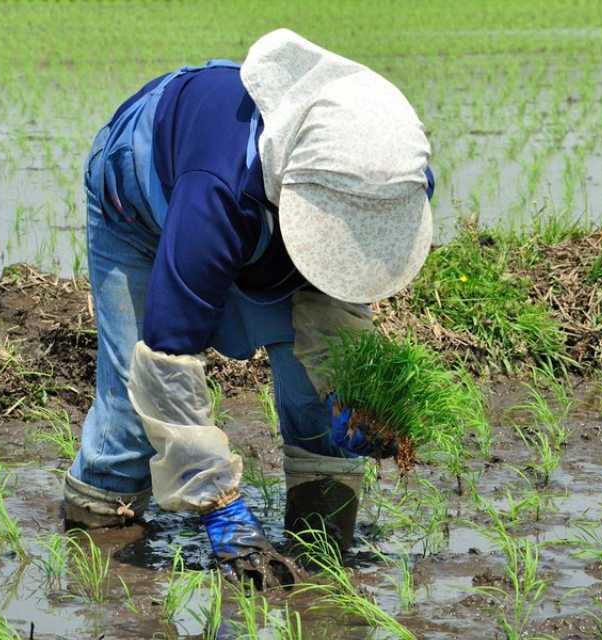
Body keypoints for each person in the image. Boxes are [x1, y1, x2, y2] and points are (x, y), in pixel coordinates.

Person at [61, 28, 435, 587]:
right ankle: (97, 549)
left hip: (267, 202)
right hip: (138, 199)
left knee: (318, 389)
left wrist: (356, 405)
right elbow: (167, 356)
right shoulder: (217, 194)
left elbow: (339, 318)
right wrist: (220, 507)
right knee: (130, 412)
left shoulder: (389, 173)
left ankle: (320, 548)